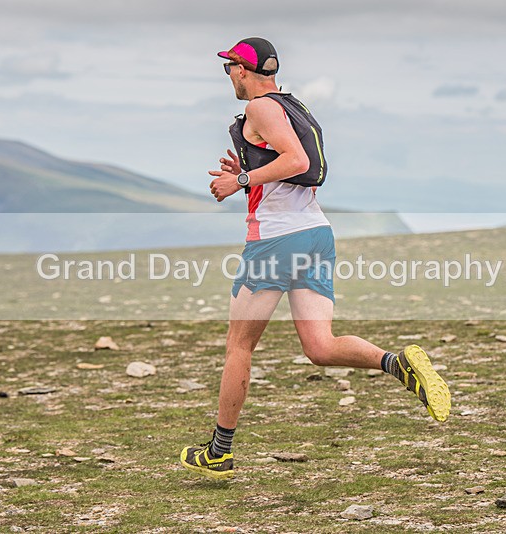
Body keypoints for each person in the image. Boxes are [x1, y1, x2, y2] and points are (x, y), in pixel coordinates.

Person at [180, 37, 450, 480]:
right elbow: (291, 168)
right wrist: (248, 179)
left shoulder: (261, 108)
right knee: (320, 348)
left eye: (229, 67)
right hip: (315, 235)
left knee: (239, 346)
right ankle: (396, 363)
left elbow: (296, 159)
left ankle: (219, 452)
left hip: (277, 241)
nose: (228, 75)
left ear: (243, 70)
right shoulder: (290, 105)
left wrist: (242, 178)